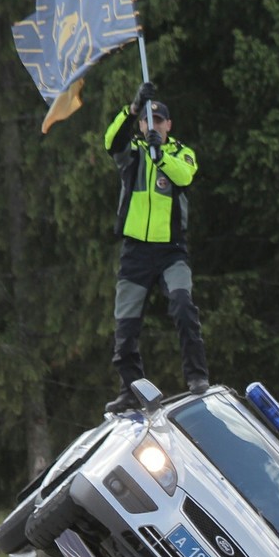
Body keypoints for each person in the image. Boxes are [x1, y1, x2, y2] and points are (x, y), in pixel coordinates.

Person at [103, 82, 210, 414]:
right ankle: (131, 389)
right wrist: (132, 108)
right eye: (148, 120)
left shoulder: (180, 152)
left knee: (181, 304)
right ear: (142, 124)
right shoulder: (133, 154)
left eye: (159, 121)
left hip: (170, 250)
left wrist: (160, 153)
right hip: (136, 251)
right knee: (126, 324)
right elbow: (110, 141)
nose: (154, 126)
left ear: (169, 125)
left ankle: (196, 376)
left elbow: (184, 176)